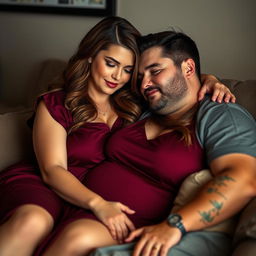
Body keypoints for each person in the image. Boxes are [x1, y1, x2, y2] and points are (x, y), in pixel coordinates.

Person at [0, 16, 235, 256]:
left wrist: (210, 80)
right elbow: (53, 170)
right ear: (91, 55)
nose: (117, 77)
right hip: (46, 183)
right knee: (33, 222)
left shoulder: (135, 101)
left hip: (92, 202)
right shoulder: (57, 103)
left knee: (76, 236)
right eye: (111, 63)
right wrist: (99, 204)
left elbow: (177, 81)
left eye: (128, 70)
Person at [87, 31, 256, 256]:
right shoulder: (146, 106)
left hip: (136, 228)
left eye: (155, 71)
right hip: (87, 207)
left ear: (188, 68)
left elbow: (243, 179)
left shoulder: (221, 115)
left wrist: (175, 224)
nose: (144, 84)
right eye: (140, 76)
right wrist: (209, 77)